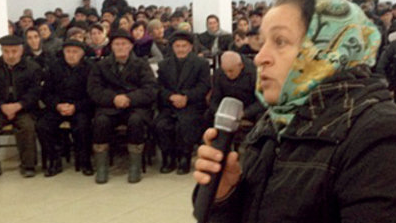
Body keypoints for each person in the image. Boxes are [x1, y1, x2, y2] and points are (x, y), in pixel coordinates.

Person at [193, 0, 396, 223]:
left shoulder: (380, 135)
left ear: (328, 48)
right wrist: (226, 193)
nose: (260, 57)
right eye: (262, 43)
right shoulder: (276, 125)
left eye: (280, 41)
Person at [87, 29, 157, 184]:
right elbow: (94, 90)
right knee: (100, 122)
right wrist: (114, 98)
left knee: (136, 121)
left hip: (135, 106)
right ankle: (102, 167)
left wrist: (129, 98)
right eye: (116, 44)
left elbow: (150, 89)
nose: (120, 47)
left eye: (124, 44)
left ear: (130, 46)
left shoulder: (141, 65)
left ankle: (135, 166)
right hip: (109, 107)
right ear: (111, 46)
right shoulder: (101, 66)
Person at [0, 35, 42, 180]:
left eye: (14, 51)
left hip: (23, 109)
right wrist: (2, 106)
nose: (10, 55)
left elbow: (35, 92)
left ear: (21, 51)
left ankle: (28, 165)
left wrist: (19, 105)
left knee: (27, 127)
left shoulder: (32, 68)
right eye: (6, 51)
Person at [154, 31, 210, 174]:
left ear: (190, 47)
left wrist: (186, 97)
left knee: (184, 124)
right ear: (172, 47)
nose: (180, 49)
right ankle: (169, 157)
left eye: (184, 46)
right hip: (170, 104)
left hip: (192, 105)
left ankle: (184, 157)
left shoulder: (201, 64)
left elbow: (204, 86)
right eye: (177, 46)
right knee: (161, 125)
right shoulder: (164, 64)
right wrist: (171, 97)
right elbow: (159, 87)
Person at [38, 40, 94, 176]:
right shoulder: (54, 67)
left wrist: (76, 106)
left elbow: (93, 94)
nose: (71, 55)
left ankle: (85, 160)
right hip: (58, 107)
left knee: (83, 125)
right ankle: (54, 160)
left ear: (82, 54)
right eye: (68, 51)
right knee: (42, 125)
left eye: (75, 52)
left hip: (80, 107)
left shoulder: (90, 68)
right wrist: (57, 105)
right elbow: (46, 93)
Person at [207, 51, 264, 126]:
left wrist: (245, 113)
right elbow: (214, 99)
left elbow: (262, 101)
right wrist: (219, 113)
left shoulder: (254, 73)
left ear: (241, 65)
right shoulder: (219, 74)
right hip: (226, 110)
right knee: (207, 116)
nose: (228, 74)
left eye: (231, 71)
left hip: (248, 109)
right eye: (225, 71)